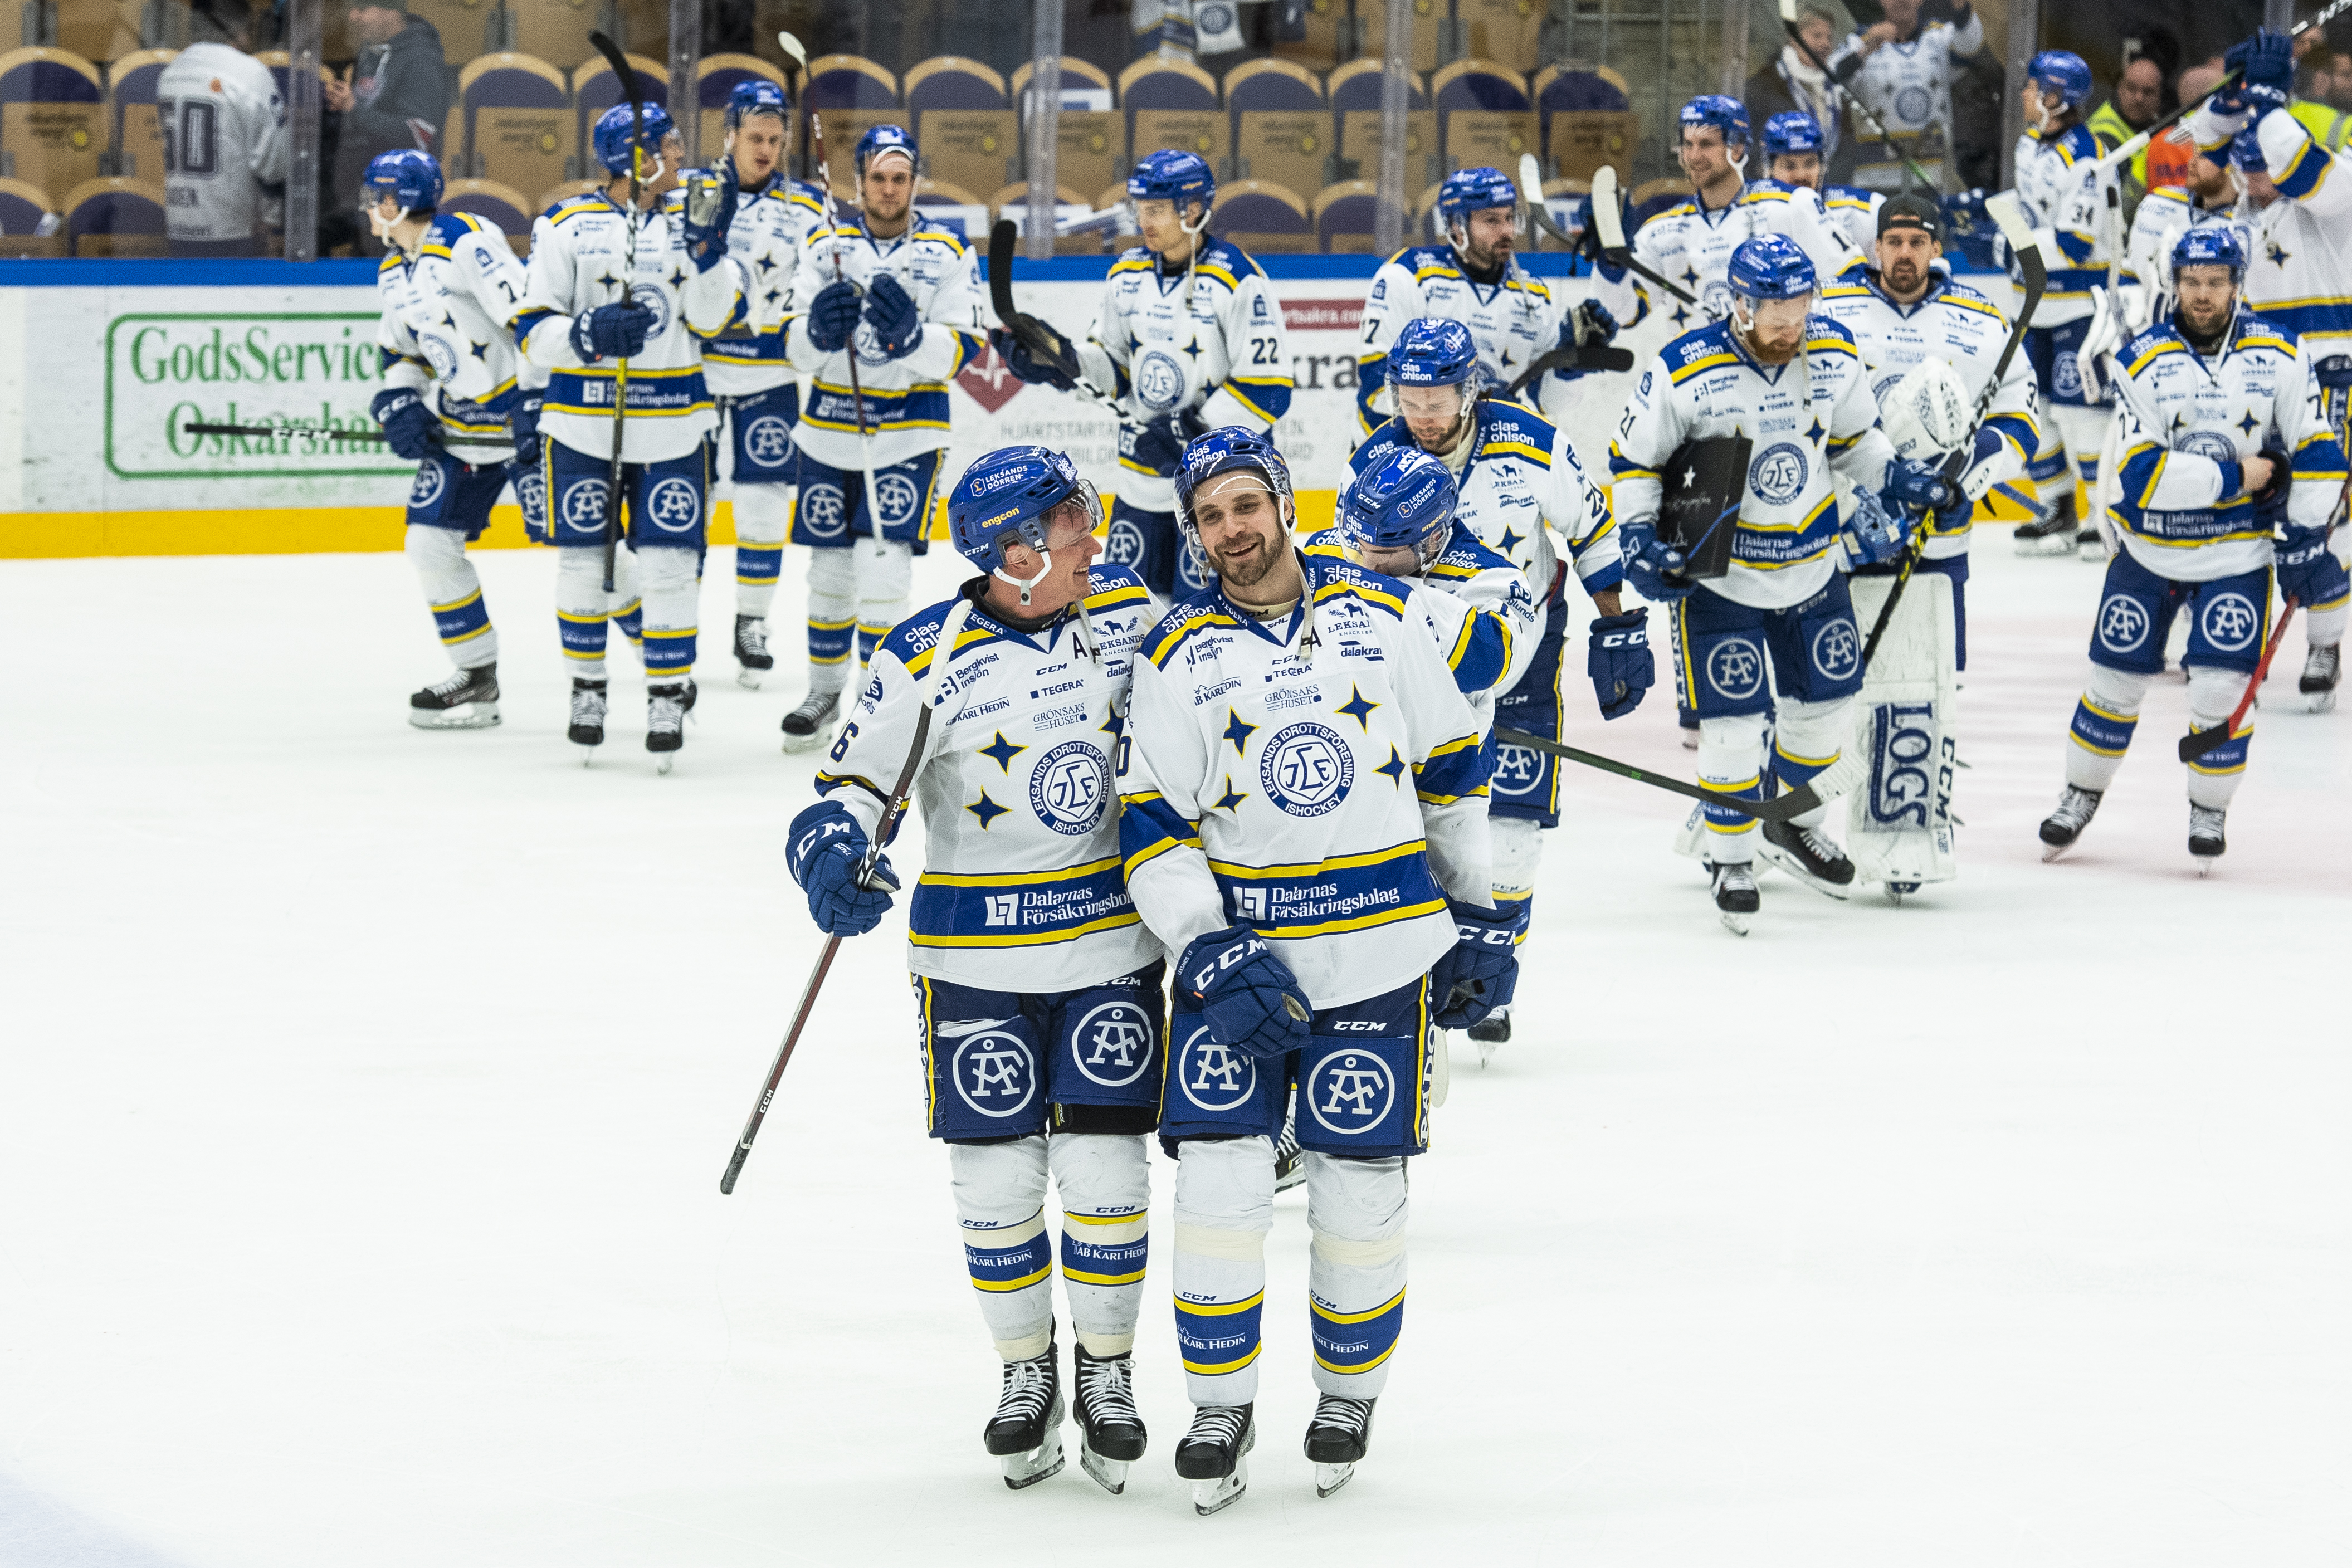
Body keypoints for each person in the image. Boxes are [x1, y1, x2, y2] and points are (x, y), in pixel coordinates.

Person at [1115, 428, 1507, 1512]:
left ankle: (1344, 1396)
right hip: (1237, 968)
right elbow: (1147, 816)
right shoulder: (1176, 653)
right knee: (1220, 1184)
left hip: (1378, 957)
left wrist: (1478, 914)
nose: (1230, 531)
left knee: (1360, 1191)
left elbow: (1451, 769)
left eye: (1245, 505)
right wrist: (1203, 941)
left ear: (1284, 502)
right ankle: (1219, 1404)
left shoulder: (1383, 624)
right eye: (1208, 516)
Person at [785, 445, 1164, 1496]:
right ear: (1015, 548)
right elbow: (847, 793)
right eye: (1070, 522)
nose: (1092, 535)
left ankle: (1106, 1375)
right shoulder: (924, 651)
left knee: (1105, 1178)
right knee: (993, 1184)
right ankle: (1024, 1374)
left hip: (1109, 950)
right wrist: (825, 853)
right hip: (974, 960)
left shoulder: (1131, 613)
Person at [1609, 235, 1952, 929]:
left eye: (1800, 306)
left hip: (1813, 569)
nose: (1790, 324)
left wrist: (1900, 476)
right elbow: (1635, 461)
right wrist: (1640, 539)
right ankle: (1732, 855)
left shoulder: (1832, 352)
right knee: (1733, 728)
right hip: (1723, 580)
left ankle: (1787, 822)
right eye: (1775, 310)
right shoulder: (1683, 368)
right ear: (1739, 305)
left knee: (1824, 716)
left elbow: (1857, 442)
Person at [1348, 317, 1639, 1042]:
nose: (1420, 415)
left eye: (1436, 398)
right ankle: (1419, 964)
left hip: (1524, 647)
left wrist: (1615, 623)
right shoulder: (1376, 455)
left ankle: (1492, 972)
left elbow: (1591, 527)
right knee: (1426, 822)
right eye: (1406, 398)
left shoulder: (1532, 443)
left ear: (1468, 390)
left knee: (1512, 826)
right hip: (1418, 668)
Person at [2037, 227, 2347, 868]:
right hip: (2147, 557)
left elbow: (2319, 451)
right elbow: (2143, 474)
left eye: (2215, 283)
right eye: (2190, 282)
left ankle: (2209, 807)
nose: (2201, 295)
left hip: (2237, 559)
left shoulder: (2282, 355)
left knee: (2219, 691)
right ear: (2173, 283)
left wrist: (2304, 534)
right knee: (2112, 682)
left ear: (2237, 285)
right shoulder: (2139, 359)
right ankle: (2080, 792)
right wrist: (2245, 475)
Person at [512, 102, 746, 766]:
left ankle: (667, 693)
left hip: (675, 425)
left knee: (672, 567)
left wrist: (708, 253)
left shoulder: (691, 219)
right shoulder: (564, 225)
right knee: (586, 564)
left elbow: (712, 320)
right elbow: (533, 333)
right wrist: (586, 335)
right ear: (635, 156)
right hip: (582, 424)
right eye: (669, 146)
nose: (680, 156)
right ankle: (586, 690)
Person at [996, 149, 1292, 600]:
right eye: (1141, 210)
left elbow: (1268, 388)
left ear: (1192, 210)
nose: (1144, 220)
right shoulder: (1127, 273)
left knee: (1217, 612)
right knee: (1131, 610)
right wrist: (1063, 364)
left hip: (1214, 494)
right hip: (1139, 484)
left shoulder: (1238, 280)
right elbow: (1112, 366)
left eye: (1156, 210)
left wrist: (1188, 436)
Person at [778, 124, 988, 749]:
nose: (889, 189)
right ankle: (821, 692)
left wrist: (909, 338)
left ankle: (877, 703)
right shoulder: (824, 244)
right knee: (830, 572)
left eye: (901, 178)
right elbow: (790, 345)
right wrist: (815, 331)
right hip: (828, 433)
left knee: (885, 573)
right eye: (878, 177)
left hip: (909, 435)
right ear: (859, 180)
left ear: (914, 182)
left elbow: (964, 350)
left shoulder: (948, 251)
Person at [2187, 28, 2352, 706]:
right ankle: (2236, 641)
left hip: (2328, 374)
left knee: (2321, 518)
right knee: (2250, 513)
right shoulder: (2232, 223)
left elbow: (2293, 157)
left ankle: (2324, 641)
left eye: (2266, 164)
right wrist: (2231, 99)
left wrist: (2265, 96)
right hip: (2255, 382)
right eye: (2247, 165)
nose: (2257, 177)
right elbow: (2203, 140)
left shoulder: (2334, 195)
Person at [1817, 192, 2038, 671]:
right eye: (1893, 241)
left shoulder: (1981, 319)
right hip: (1843, 534)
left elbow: (2021, 412)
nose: (1904, 253)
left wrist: (1977, 462)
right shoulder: (1827, 307)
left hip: (1940, 536)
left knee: (1938, 686)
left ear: (1936, 249)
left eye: (1917, 241)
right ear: (1875, 247)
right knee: (1841, 687)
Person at [364, 150, 545, 730]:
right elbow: (401, 352)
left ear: (396, 203)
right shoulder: (394, 269)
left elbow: (528, 315)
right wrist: (399, 401)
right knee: (430, 544)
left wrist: (535, 401)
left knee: (588, 550)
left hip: (528, 426)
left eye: (376, 199)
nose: (370, 210)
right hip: (463, 433)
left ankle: (665, 669)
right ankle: (477, 675)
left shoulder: (465, 240)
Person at [692, 80, 826, 689]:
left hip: (769, 377)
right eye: (754, 137)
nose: (766, 148)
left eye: (775, 139)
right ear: (729, 136)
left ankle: (752, 622)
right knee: (683, 509)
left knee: (764, 509)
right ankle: (674, 622)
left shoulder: (806, 210)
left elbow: (817, 292)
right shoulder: (693, 196)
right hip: (692, 378)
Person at [1354, 165, 1629, 438]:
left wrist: (1569, 366)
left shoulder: (1533, 296)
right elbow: (1377, 385)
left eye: (1510, 218)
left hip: (1480, 455)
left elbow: (1551, 403)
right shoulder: (1408, 276)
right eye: (1492, 221)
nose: (1508, 231)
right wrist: (1473, 404)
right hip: (1393, 454)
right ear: (1456, 226)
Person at [2004, 50, 2123, 560]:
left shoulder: (2091, 159)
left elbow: (2074, 243)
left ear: (2054, 97)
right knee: (2040, 413)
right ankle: (2057, 507)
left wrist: (2015, 239)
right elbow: (2022, 211)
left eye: (2033, 88)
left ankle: (2100, 516)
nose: (2025, 96)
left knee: (2083, 415)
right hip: (2030, 304)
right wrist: (2001, 224)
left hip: (2080, 306)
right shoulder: (2028, 144)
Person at [1630, 96, 1861, 336]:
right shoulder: (1660, 231)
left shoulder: (1793, 205)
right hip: (1699, 372)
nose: (1694, 156)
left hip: (1781, 365)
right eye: (1688, 145)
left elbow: (1851, 283)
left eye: (1706, 144)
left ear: (1737, 148)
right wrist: (1610, 270)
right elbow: (1625, 314)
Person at [157, 0, 287, 257]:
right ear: (242, 30)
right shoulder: (249, 74)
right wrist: (273, 219)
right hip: (235, 231)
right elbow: (275, 163)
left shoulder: (170, 74)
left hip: (179, 224)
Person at [1823, 0, 1984, 190]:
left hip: (1932, 180)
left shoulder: (1939, 38)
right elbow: (1830, 77)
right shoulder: (1858, 42)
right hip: (1875, 181)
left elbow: (1970, 45)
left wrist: (1962, 7)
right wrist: (1866, 50)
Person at [323, 0, 451, 238]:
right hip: (360, 191)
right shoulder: (370, 52)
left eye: (362, 10)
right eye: (351, 10)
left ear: (391, 11)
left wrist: (353, 108)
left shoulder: (422, 61)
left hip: (400, 197)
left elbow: (416, 136)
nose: (353, 17)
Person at [1746, 4, 1858, 187]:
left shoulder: (1836, 90)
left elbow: (1847, 147)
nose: (1825, 44)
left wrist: (1829, 183)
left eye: (1829, 38)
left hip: (1828, 192)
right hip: (1777, 193)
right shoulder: (1762, 86)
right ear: (1794, 39)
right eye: (1817, 36)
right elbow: (1751, 148)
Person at [1761, 109, 1881, 255]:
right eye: (1789, 166)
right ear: (1769, 168)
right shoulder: (1751, 213)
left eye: (1810, 164)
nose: (1801, 175)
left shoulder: (1861, 210)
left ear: (1822, 165)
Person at [2089, 55, 2168, 216]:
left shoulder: (2157, 126)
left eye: (2148, 92)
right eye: (2132, 89)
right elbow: (2120, 206)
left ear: (2160, 97)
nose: (2139, 98)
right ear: (2120, 89)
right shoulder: (2104, 133)